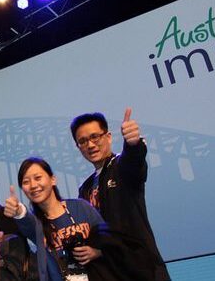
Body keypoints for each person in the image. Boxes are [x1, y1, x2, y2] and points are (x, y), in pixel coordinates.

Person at [70, 110, 169, 280]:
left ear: (108, 137)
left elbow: (133, 162)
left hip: (143, 270)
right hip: (111, 273)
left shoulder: (120, 167)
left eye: (95, 137)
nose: (90, 145)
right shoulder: (85, 189)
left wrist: (134, 144)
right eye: (83, 141)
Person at [5, 157, 120, 281]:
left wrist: (97, 252)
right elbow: (27, 221)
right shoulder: (36, 223)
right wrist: (18, 211)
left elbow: (112, 243)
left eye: (38, 178)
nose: (33, 185)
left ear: (53, 179)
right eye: (26, 182)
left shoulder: (81, 207)